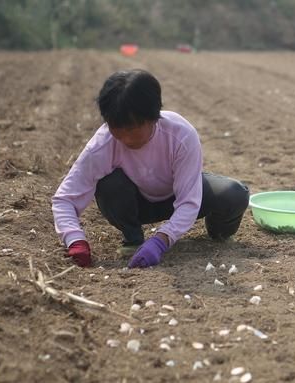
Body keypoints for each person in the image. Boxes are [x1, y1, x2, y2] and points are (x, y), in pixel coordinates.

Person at [52, 69, 249, 268]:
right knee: (109, 183)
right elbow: (65, 199)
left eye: (131, 129)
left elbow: (189, 202)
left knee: (234, 194)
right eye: (116, 129)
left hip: (175, 196)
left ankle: (218, 233)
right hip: (136, 204)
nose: (125, 139)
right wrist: (75, 241)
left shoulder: (181, 135)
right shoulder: (102, 144)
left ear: (154, 118)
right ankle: (133, 238)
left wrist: (161, 240)